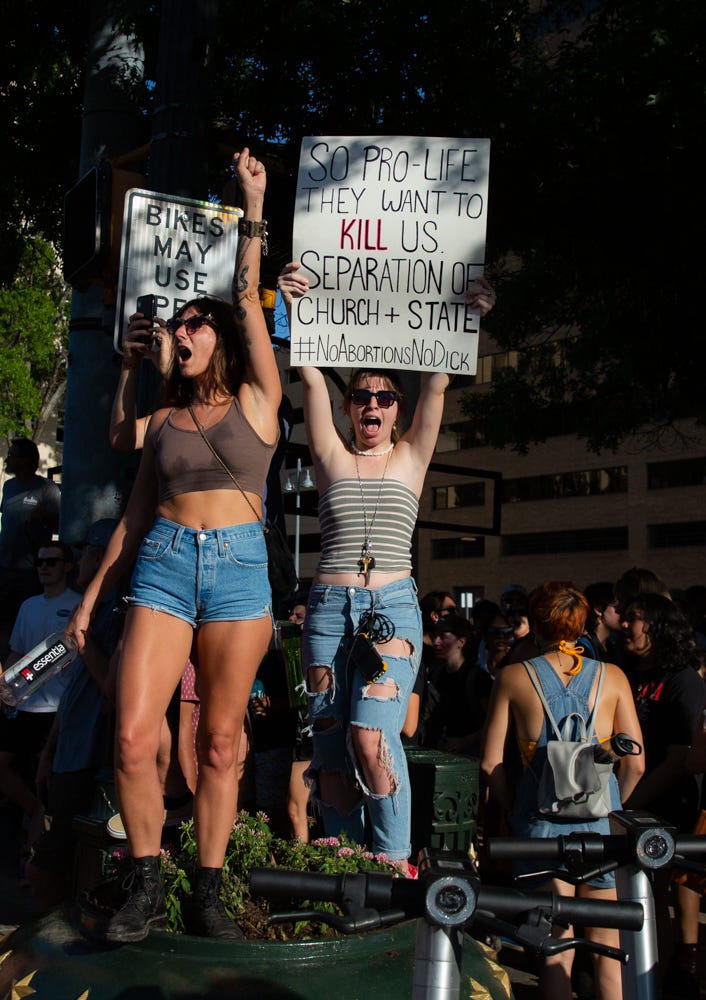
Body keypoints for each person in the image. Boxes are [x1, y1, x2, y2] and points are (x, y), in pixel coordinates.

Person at [67, 148, 280, 943]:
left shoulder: (258, 402)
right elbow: (126, 474)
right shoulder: (161, 421)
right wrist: (131, 365)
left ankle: (210, 892)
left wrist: (253, 208)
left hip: (236, 573)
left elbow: (253, 311)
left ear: (216, 338)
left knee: (220, 744)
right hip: (161, 565)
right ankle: (146, 881)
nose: (181, 330)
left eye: (194, 322)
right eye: (177, 323)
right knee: (132, 733)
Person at [278, 261, 496, 872]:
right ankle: (346, 863)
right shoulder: (329, 455)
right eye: (362, 395)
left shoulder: (411, 457)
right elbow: (309, 376)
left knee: (372, 739)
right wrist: (290, 302)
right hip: (326, 614)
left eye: (385, 396)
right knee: (330, 747)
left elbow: (439, 382)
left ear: (397, 410)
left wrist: (467, 317)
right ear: (350, 409)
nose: (373, 403)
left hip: (392, 612)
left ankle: (394, 864)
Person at [480, 581, 645, 1000]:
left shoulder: (513, 677)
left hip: (539, 831)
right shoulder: (613, 677)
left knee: (554, 949)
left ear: (535, 625)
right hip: (600, 829)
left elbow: (491, 763)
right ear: (584, 625)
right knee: (609, 949)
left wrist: (514, 811)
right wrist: (610, 805)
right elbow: (637, 762)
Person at [25, 519, 120, 911]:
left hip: (91, 761)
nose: (77, 561)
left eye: (82, 554)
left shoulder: (115, 613)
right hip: (67, 754)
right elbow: (72, 695)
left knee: (48, 869)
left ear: (97, 558)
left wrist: (82, 642)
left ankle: (53, 945)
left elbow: (113, 690)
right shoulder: (89, 611)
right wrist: (49, 753)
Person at [619, 593, 706, 998]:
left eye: (633, 618)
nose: (625, 626)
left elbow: (679, 759)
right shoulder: (624, 672)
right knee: (639, 895)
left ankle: (664, 978)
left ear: (657, 625)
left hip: (665, 801)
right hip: (627, 797)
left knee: (660, 896)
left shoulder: (683, 679)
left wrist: (627, 805)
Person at [0, 540, 81, 851]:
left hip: (58, 709)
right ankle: (34, 812)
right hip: (25, 706)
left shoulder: (78, 604)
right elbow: (16, 652)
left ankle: (36, 859)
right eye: (40, 563)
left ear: (67, 567)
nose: (44, 568)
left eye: (52, 562)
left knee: (47, 779)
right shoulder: (28, 606)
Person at [0, 438, 61, 661]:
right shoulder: (8, 487)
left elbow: (60, 525)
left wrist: (43, 517)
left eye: (12, 455)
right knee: (3, 625)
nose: (8, 459)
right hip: (4, 567)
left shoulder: (47, 489)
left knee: (26, 626)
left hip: (32, 571)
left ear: (25, 460)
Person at [424, 613, 491, 755]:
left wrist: (465, 741)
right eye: (435, 636)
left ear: (461, 642)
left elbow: (493, 721)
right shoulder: (436, 674)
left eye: (443, 637)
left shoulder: (478, 678)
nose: (436, 642)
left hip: (471, 756)